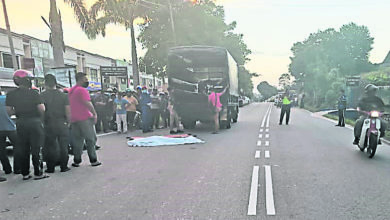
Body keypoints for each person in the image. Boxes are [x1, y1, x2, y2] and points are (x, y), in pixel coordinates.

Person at [5, 70, 48, 180]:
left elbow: (9, 112)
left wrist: (19, 111)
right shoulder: (34, 93)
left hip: (21, 123)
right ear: (27, 80)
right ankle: (38, 173)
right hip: (34, 122)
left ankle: (25, 173)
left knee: (23, 148)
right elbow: (42, 109)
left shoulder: (11, 95)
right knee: (36, 148)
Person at [68, 72, 101, 167]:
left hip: (74, 119)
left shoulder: (71, 90)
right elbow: (87, 103)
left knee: (78, 141)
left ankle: (77, 160)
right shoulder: (82, 90)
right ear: (80, 79)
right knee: (91, 139)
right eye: (85, 79)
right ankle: (93, 159)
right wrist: (94, 114)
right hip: (84, 118)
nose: (87, 81)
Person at [41, 74, 71, 173]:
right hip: (62, 122)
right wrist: (69, 122)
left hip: (48, 123)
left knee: (50, 146)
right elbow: (68, 110)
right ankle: (64, 166)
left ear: (45, 83)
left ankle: (50, 168)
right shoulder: (63, 95)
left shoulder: (42, 95)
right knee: (63, 145)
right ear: (56, 83)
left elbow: (41, 110)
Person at [0, 89, 21, 176]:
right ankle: (17, 168)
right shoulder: (6, 98)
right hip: (10, 127)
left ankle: (7, 169)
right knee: (18, 147)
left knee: (1, 150)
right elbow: (14, 110)